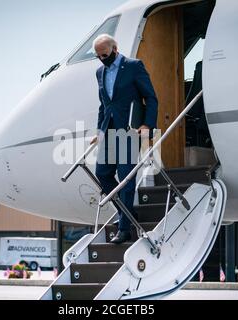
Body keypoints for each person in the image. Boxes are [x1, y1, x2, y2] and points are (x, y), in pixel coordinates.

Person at [90, 34, 158, 244]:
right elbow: (104, 104)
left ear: (115, 49)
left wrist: (147, 124)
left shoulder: (133, 66)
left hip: (130, 130)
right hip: (109, 130)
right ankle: (127, 214)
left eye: (105, 55)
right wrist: (100, 132)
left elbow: (151, 97)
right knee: (102, 174)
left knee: (125, 177)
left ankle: (124, 229)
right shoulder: (99, 72)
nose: (102, 59)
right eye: (98, 56)